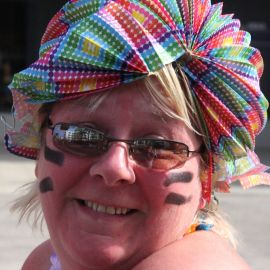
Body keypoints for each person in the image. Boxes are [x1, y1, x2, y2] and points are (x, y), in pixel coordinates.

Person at [3, 0, 270, 269]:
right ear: (40, 152)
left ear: (205, 179)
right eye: (79, 135)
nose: (114, 168)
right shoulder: (43, 261)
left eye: (157, 146)